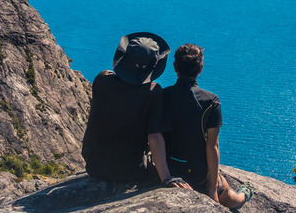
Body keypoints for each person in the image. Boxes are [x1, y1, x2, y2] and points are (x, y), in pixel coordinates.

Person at [81, 32, 190, 189]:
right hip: (130, 170)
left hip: (94, 166)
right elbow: (154, 136)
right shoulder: (153, 92)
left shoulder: (102, 79)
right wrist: (166, 177)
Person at [162, 43, 253, 207]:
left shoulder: (162, 95)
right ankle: (245, 194)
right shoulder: (211, 101)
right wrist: (211, 187)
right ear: (200, 69)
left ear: (175, 67)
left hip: (168, 171)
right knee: (231, 198)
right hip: (198, 176)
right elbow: (213, 146)